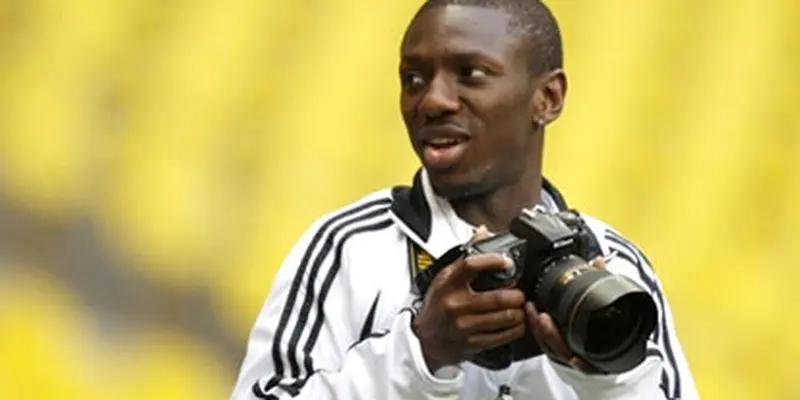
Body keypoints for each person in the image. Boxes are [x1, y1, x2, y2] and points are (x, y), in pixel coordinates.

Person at [231, 0, 698, 399]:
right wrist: (422, 352)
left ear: (548, 98)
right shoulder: (348, 248)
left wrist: (606, 380)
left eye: (470, 73)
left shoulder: (615, 268)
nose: (432, 101)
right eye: (413, 78)